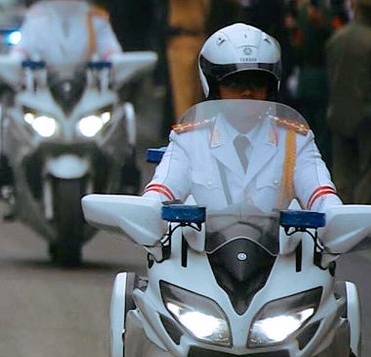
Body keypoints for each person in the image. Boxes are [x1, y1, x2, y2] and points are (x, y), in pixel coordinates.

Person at [143, 24, 340, 215]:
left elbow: (322, 196)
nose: (247, 92)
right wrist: (144, 212)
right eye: (234, 82)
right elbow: (160, 192)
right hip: (203, 248)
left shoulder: (294, 140)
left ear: (271, 87)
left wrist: (338, 216)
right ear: (214, 86)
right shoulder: (189, 139)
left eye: (257, 82)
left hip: (276, 248)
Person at [325, 0, 371, 205]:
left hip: (339, 114)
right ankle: (362, 220)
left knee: (343, 174)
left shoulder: (338, 38)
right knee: (370, 174)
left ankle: (342, 216)